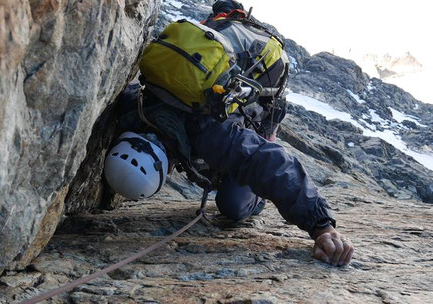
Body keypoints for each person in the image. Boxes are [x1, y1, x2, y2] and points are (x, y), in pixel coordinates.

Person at [105, 0, 354, 267]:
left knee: (234, 205)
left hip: (269, 75)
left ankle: (259, 151)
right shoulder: (134, 106)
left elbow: (274, 164)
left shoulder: (211, 135)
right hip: (225, 48)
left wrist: (321, 226)